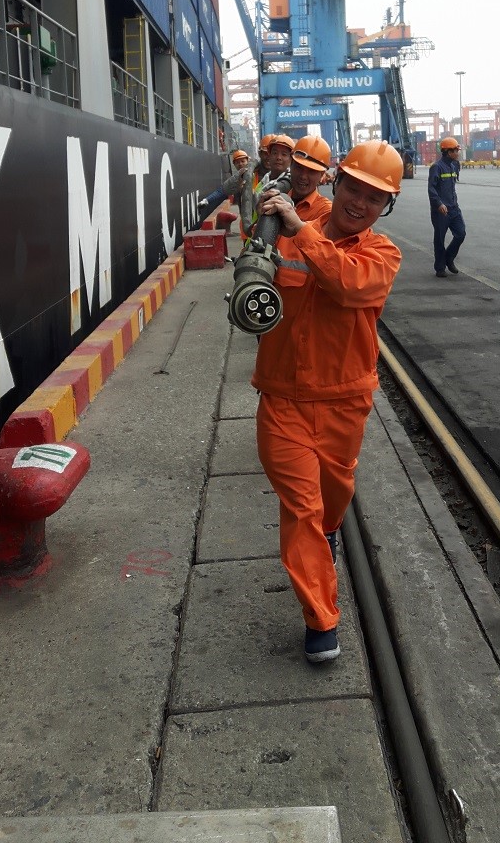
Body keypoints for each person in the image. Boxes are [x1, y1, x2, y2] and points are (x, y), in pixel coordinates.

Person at [252, 141, 403, 663]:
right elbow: (255, 286)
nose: (360, 203)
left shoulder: (382, 255)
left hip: (344, 402)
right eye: (354, 189)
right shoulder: (284, 233)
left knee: (332, 504)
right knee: (302, 509)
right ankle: (321, 620)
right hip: (283, 398)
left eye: (374, 198)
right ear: (337, 184)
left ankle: (331, 532)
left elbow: (346, 283)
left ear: (385, 207)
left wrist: (301, 230)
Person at [428, 137, 466, 277]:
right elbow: (431, 189)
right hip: (441, 211)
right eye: (456, 150)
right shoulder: (436, 167)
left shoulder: (454, 165)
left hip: (454, 208)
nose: (458, 153)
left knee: (461, 234)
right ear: (448, 152)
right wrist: (439, 204)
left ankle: (449, 258)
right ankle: (440, 268)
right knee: (439, 239)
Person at [198, 149, 250, 221]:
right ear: (234, 164)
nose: (240, 164)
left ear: (247, 161)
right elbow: (221, 191)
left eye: (243, 161)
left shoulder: (255, 172)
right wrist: (207, 200)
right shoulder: (235, 178)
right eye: (237, 162)